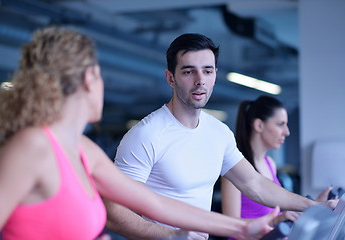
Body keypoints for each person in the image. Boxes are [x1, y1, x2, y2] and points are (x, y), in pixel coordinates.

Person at [0, 26, 283, 240]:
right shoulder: (32, 147)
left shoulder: (83, 150)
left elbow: (155, 204)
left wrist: (241, 228)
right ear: (90, 79)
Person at [104, 33, 337, 240]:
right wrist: (172, 236)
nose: (200, 80)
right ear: (170, 78)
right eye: (188, 71)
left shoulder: (218, 132)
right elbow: (114, 213)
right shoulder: (146, 135)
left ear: (215, 74)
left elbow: (253, 183)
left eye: (207, 70)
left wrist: (313, 206)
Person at [221, 95, 333, 239]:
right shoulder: (234, 170)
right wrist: (276, 221)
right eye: (280, 124)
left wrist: (316, 204)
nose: (287, 132)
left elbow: (273, 215)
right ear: (259, 125)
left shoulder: (269, 164)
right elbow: (231, 226)